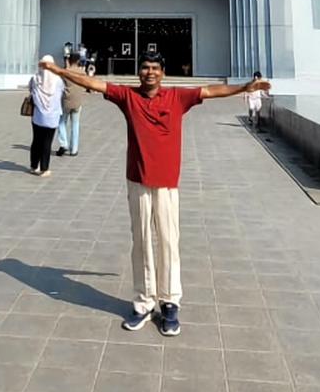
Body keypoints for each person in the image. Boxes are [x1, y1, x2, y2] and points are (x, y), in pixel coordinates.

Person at [41, 54, 270, 335]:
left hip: (166, 184)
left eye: (155, 68)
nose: (150, 72)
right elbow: (92, 82)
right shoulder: (127, 96)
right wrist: (55, 69)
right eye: (145, 68)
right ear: (139, 72)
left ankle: (170, 302)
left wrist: (246, 86)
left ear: (163, 73)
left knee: (168, 241)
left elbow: (211, 90)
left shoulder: (176, 98)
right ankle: (143, 303)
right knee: (141, 242)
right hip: (137, 180)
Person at [27, 55, 63, 176]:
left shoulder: (35, 79)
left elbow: (30, 90)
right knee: (47, 142)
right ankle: (44, 168)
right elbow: (61, 94)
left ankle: (33, 165)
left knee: (36, 140)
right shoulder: (58, 80)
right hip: (52, 116)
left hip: (38, 116)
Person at [56, 53, 86, 157]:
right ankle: (74, 149)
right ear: (78, 61)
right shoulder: (82, 72)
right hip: (78, 101)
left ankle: (64, 143)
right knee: (75, 125)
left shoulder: (66, 72)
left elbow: (59, 85)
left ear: (69, 60)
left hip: (66, 101)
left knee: (61, 122)